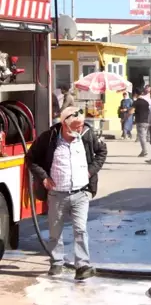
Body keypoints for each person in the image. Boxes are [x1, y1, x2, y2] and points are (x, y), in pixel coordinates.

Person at [25, 106, 107, 280]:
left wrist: (90, 171)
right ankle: (56, 263)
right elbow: (30, 158)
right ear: (64, 124)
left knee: (80, 230)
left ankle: (82, 265)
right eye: (77, 125)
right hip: (57, 194)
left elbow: (102, 152)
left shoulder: (87, 135)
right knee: (55, 231)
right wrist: (43, 178)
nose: (80, 128)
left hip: (81, 192)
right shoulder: (49, 138)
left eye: (82, 125)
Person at [130, 88, 150, 157]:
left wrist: (126, 116)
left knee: (142, 137)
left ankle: (145, 151)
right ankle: (143, 151)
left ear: (135, 94)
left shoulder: (136, 102)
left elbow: (131, 111)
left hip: (140, 121)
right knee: (144, 136)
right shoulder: (146, 102)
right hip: (147, 121)